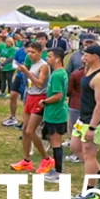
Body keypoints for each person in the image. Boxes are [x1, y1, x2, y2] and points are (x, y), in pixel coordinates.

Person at [72, 45, 100, 199]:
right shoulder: (89, 69)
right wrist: (85, 65)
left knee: (89, 154)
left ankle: (89, 190)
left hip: (94, 120)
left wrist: (92, 127)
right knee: (75, 147)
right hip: (83, 117)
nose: (83, 56)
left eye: (86, 54)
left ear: (95, 56)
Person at [12, 42, 54, 173]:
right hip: (30, 96)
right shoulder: (33, 64)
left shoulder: (44, 65)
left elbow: (40, 84)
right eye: (28, 52)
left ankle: (46, 159)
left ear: (40, 53)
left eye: (33, 52)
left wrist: (27, 72)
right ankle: (26, 160)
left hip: (39, 98)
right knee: (25, 130)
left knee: (31, 131)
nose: (30, 54)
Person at [41, 48, 69, 182]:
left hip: (56, 113)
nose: (47, 58)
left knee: (56, 143)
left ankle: (59, 172)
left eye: (50, 56)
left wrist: (45, 101)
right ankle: (55, 169)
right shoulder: (61, 73)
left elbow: (58, 96)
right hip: (55, 112)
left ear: (57, 58)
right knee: (52, 141)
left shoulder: (57, 75)